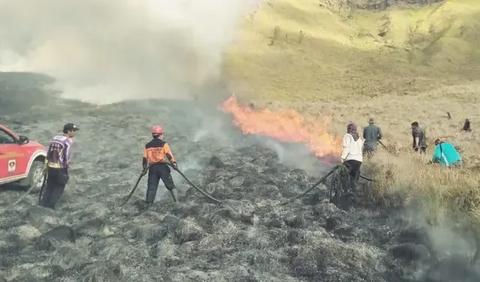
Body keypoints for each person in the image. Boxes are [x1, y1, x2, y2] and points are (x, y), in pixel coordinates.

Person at [40, 123, 79, 209]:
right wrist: (67, 167)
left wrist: (46, 164)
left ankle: (42, 204)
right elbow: (67, 156)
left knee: (49, 186)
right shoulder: (68, 141)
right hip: (60, 168)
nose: (74, 133)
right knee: (59, 187)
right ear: (68, 131)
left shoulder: (55, 138)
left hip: (50, 167)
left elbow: (48, 152)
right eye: (73, 131)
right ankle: (51, 207)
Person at [142, 125, 178, 205]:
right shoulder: (164, 144)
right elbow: (169, 155)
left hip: (152, 168)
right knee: (171, 186)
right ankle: (177, 202)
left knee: (151, 188)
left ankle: (149, 205)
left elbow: (145, 159)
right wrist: (174, 163)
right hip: (162, 167)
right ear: (161, 134)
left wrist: (144, 169)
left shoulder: (147, 146)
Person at [340, 122, 364, 197]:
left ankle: (345, 192)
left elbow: (346, 147)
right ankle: (353, 193)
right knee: (354, 178)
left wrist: (342, 158)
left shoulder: (347, 136)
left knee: (344, 175)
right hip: (359, 160)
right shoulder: (359, 139)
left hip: (350, 159)